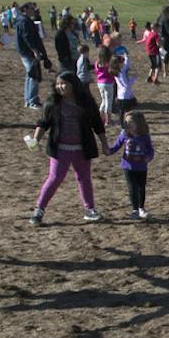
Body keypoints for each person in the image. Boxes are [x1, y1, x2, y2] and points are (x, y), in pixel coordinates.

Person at [27, 71, 108, 226]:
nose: (60, 87)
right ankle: (39, 210)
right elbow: (43, 123)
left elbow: (97, 125)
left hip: (81, 149)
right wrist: (35, 140)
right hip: (60, 150)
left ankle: (90, 210)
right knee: (54, 178)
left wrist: (104, 144)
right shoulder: (53, 103)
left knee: (84, 179)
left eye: (64, 83)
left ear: (73, 84)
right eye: (58, 84)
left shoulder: (86, 103)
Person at [111, 110, 154, 220]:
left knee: (141, 188)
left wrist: (148, 158)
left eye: (131, 122)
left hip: (141, 167)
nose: (128, 124)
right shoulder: (124, 135)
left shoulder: (144, 137)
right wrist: (108, 150)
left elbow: (150, 150)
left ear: (138, 123)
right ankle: (135, 210)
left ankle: (141, 208)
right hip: (128, 166)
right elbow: (116, 146)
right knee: (132, 187)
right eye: (126, 122)